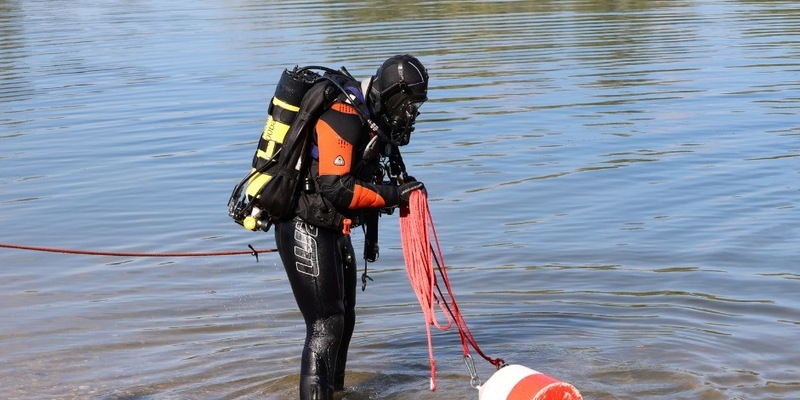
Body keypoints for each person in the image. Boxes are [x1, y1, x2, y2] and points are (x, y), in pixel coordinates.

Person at [273, 54, 429, 400]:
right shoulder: (344, 115)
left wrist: (401, 189)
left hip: (331, 227)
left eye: (417, 107)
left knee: (344, 320)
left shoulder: (374, 121)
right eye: (409, 106)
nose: (412, 115)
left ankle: (335, 393)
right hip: (304, 226)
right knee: (326, 324)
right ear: (392, 95)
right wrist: (395, 196)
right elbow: (336, 187)